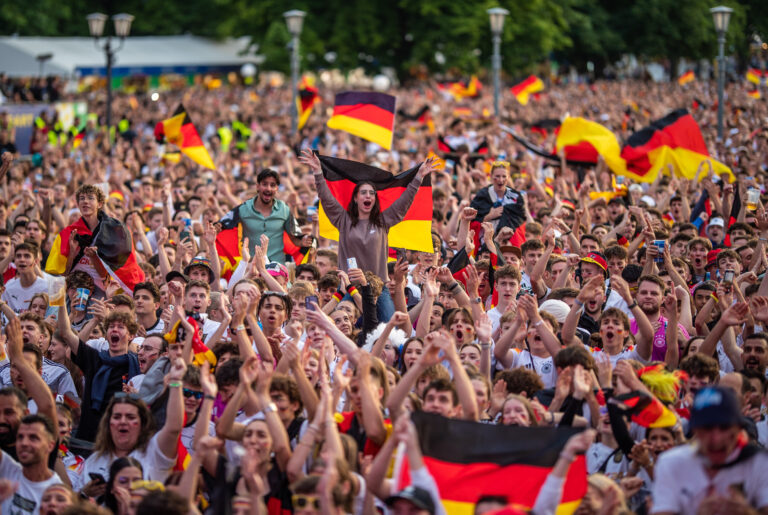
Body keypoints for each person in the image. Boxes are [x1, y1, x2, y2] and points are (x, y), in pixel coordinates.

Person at [299, 149, 437, 280]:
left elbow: (404, 201)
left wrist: (419, 177)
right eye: (363, 193)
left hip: (379, 286)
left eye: (372, 193)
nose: (368, 196)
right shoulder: (343, 219)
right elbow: (326, 198)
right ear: (355, 198)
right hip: (350, 287)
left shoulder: (383, 221)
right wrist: (317, 171)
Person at [652, 386, 768, 514]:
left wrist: (747, 512)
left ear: (738, 428)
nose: (716, 439)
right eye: (707, 428)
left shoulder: (759, 462)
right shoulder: (672, 463)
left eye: (724, 427)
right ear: (694, 430)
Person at [238, 169, 314, 264]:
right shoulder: (242, 209)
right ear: (257, 187)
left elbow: (295, 237)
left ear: (277, 188)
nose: (268, 189)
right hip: (250, 266)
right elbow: (226, 227)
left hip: (276, 268)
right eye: (264, 184)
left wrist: (303, 241)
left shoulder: (284, 209)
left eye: (272, 185)